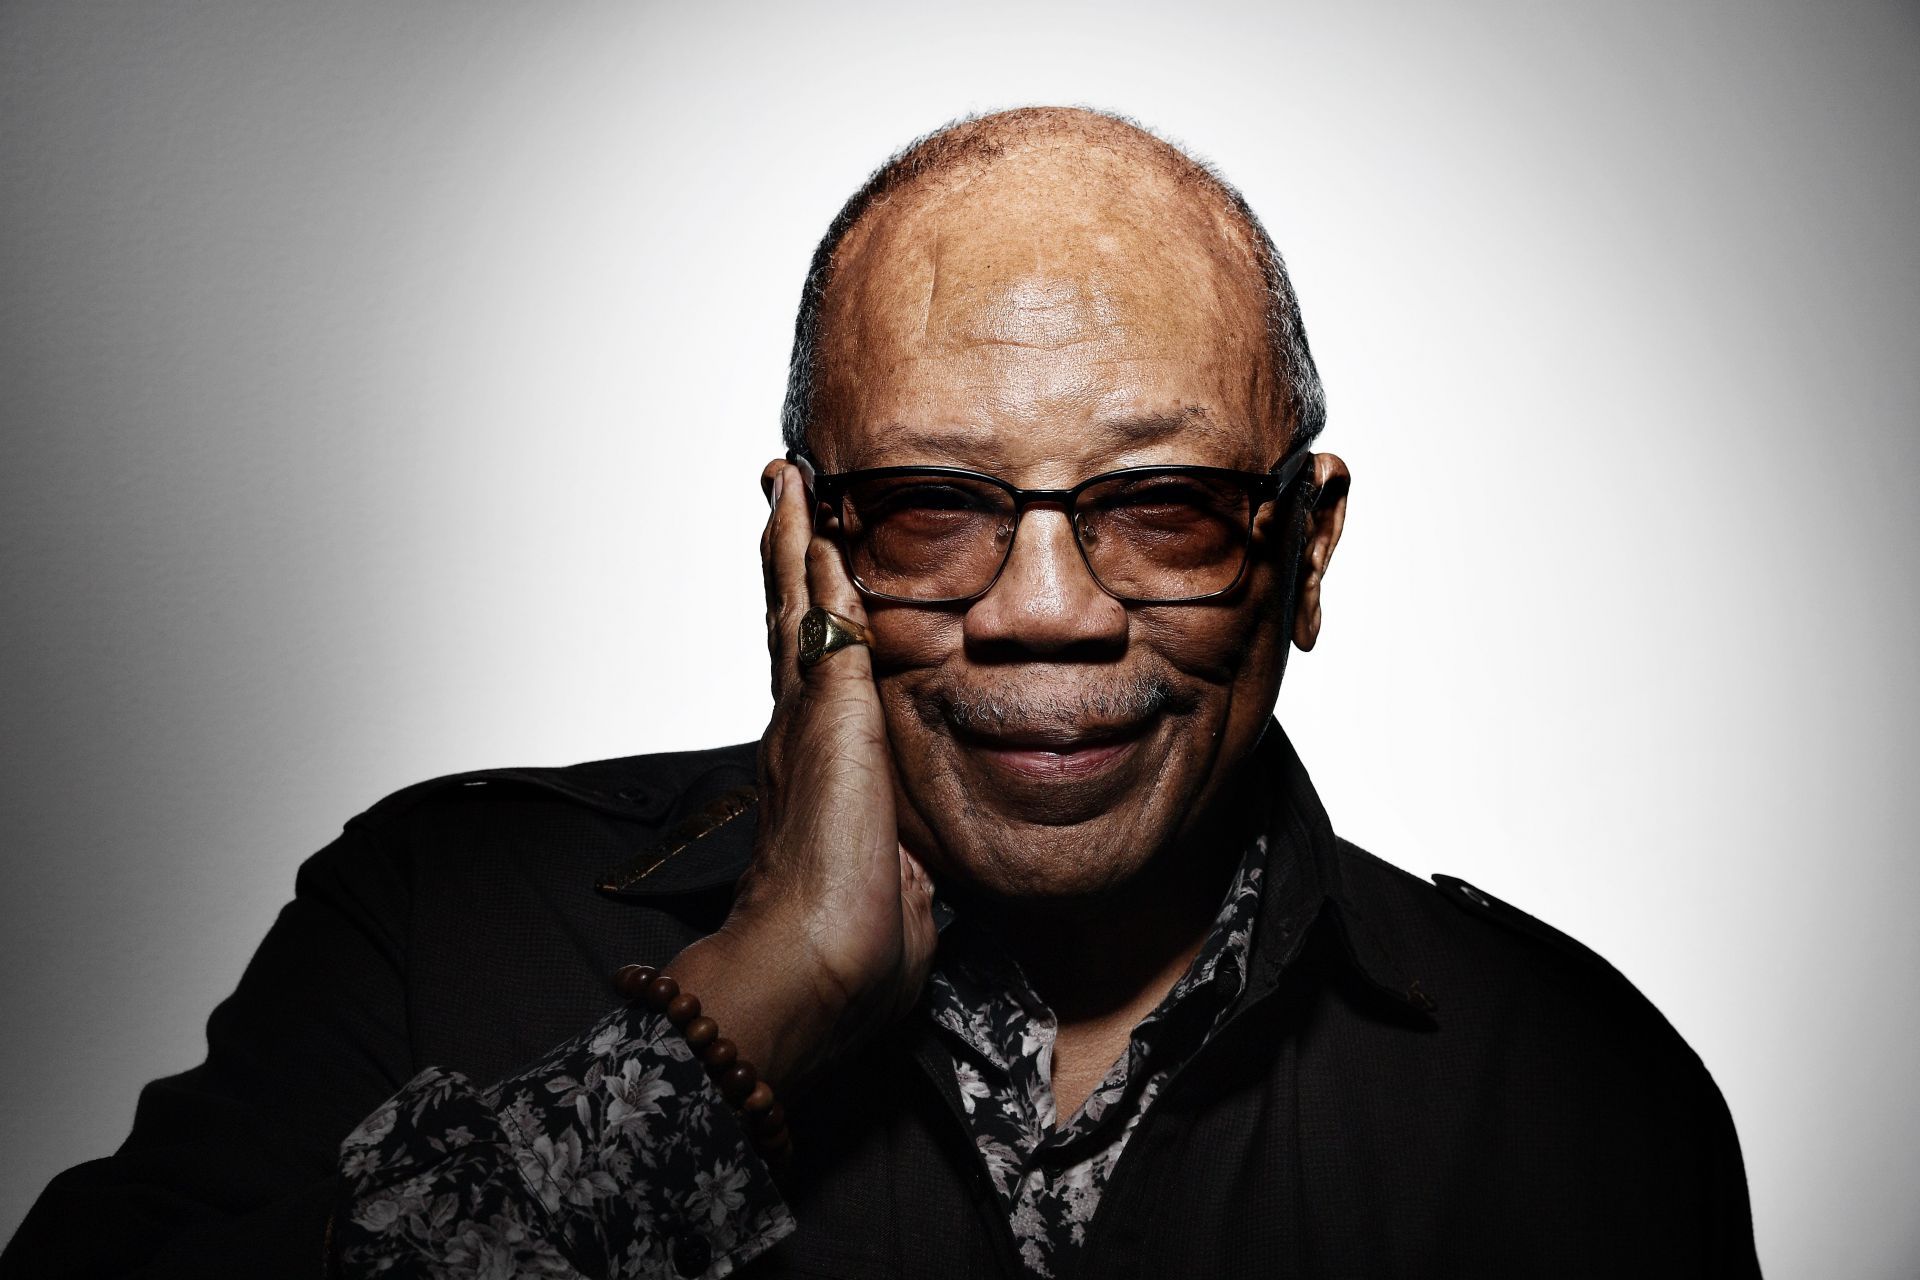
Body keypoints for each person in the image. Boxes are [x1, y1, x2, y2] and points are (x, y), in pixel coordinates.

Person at [2, 107, 1759, 1279]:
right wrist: (738, 1031)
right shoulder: (427, 926)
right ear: (804, 542)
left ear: (1304, 550)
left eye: (1160, 508)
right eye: (934, 509)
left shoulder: (1581, 1103)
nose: (1047, 614)